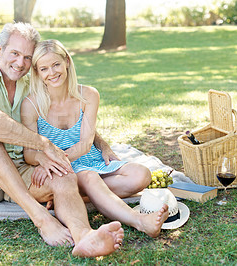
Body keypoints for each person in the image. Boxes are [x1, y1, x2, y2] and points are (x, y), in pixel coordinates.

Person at [0, 22, 125, 258]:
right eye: (14, 53)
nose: (20, 63)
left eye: (27, 57)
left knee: (64, 174)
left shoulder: (31, 81)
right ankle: (42, 219)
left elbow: (76, 117)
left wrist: (100, 144)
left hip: (19, 168)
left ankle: (84, 236)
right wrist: (44, 144)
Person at [21, 39, 169, 238]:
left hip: (89, 159)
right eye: (44, 68)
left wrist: (102, 147)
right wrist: (46, 160)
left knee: (142, 175)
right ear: (37, 72)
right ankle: (139, 220)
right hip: (63, 171)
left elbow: (85, 144)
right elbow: (29, 152)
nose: (52, 73)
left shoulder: (89, 95)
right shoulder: (31, 104)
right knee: (89, 177)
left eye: (56, 64)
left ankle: (77, 196)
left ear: (67, 61)